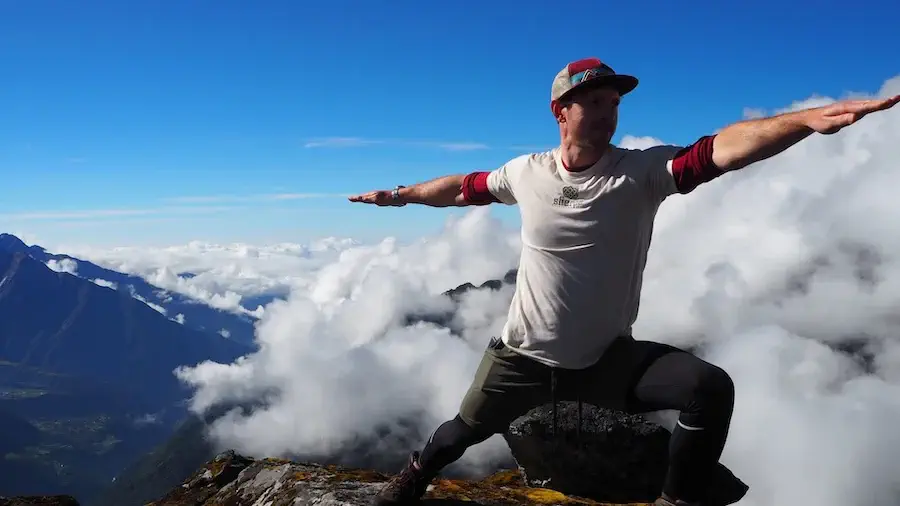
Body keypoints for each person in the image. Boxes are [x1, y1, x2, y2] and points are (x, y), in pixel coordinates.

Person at [348, 57, 900, 506]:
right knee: (457, 435)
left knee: (709, 389)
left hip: (605, 359)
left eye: (615, 104)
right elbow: (460, 188)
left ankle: (678, 498)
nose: (609, 113)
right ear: (560, 111)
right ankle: (413, 479)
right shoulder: (525, 173)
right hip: (522, 359)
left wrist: (804, 120)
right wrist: (398, 195)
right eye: (595, 102)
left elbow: (720, 150)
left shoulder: (640, 174)